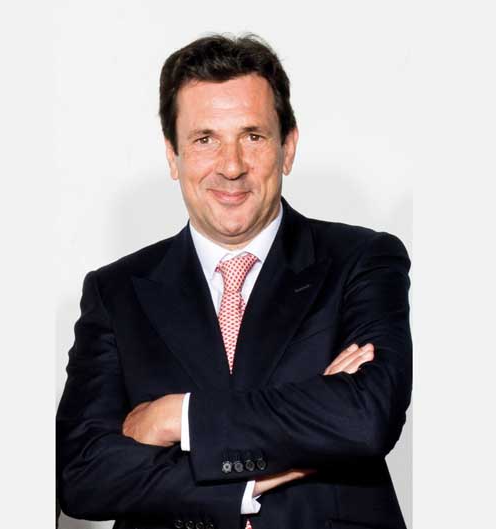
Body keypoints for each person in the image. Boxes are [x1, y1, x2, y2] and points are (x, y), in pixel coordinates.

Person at [56, 33, 412, 529]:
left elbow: (365, 418)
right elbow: (80, 473)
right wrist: (257, 471)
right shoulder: (115, 292)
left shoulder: (362, 259)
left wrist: (177, 418)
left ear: (288, 147)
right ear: (173, 156)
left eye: (253, 136)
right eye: (205, 139)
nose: (231, 166)